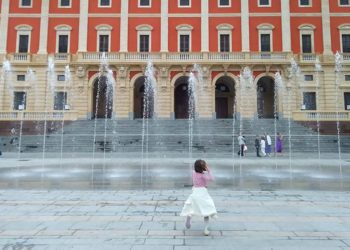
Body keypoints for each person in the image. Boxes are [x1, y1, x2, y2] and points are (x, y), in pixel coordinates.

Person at [181, 159, 217, 236]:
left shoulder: (194, 173)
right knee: (207, 210)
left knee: (192, 207)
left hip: (195, 192)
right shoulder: (203, 175)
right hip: (202, 192)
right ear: (203, 167)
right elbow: (212, 179)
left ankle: (189, 218)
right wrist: (209, 170)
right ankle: (206, 229)